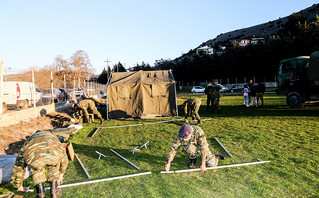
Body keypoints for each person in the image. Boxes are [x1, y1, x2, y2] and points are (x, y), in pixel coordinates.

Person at [11, 130, 69, 198]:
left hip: (35, 159)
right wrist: (61, 174)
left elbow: (19, 166)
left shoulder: (29, 141)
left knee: (37, 171)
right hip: (53, 156)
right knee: (54, 166)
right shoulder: (53, 138)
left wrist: (19, 185)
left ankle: (41, 194)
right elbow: (64, 159)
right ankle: (54, 192)